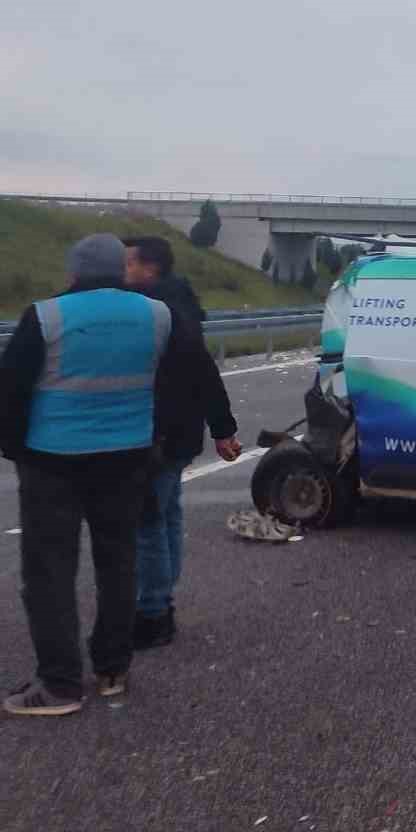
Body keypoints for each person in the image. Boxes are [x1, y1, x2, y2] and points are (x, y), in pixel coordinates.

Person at [0, 234, 212, 715]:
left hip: (52, 460)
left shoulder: (47, 315)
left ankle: (59, 685)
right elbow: (178, 379)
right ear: (120, 269)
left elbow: (10, 388)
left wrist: (15, 449)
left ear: (75, 270)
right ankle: (113, 669)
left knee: (49, 570)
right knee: (118, 563)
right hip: (127, 458)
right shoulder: (156, 315)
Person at [123, 236, 241, 649]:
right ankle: (162, 596)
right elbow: (205, 369)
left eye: (128, 263)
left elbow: (198, 369)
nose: (123, 271)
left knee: (148, 522)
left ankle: (153, 611)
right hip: (181, 431)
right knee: (166, 512)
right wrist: (222, 428)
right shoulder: (182, 303)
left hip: (159, 432)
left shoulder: (155, 312)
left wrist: (223, 427)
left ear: (148, 267)